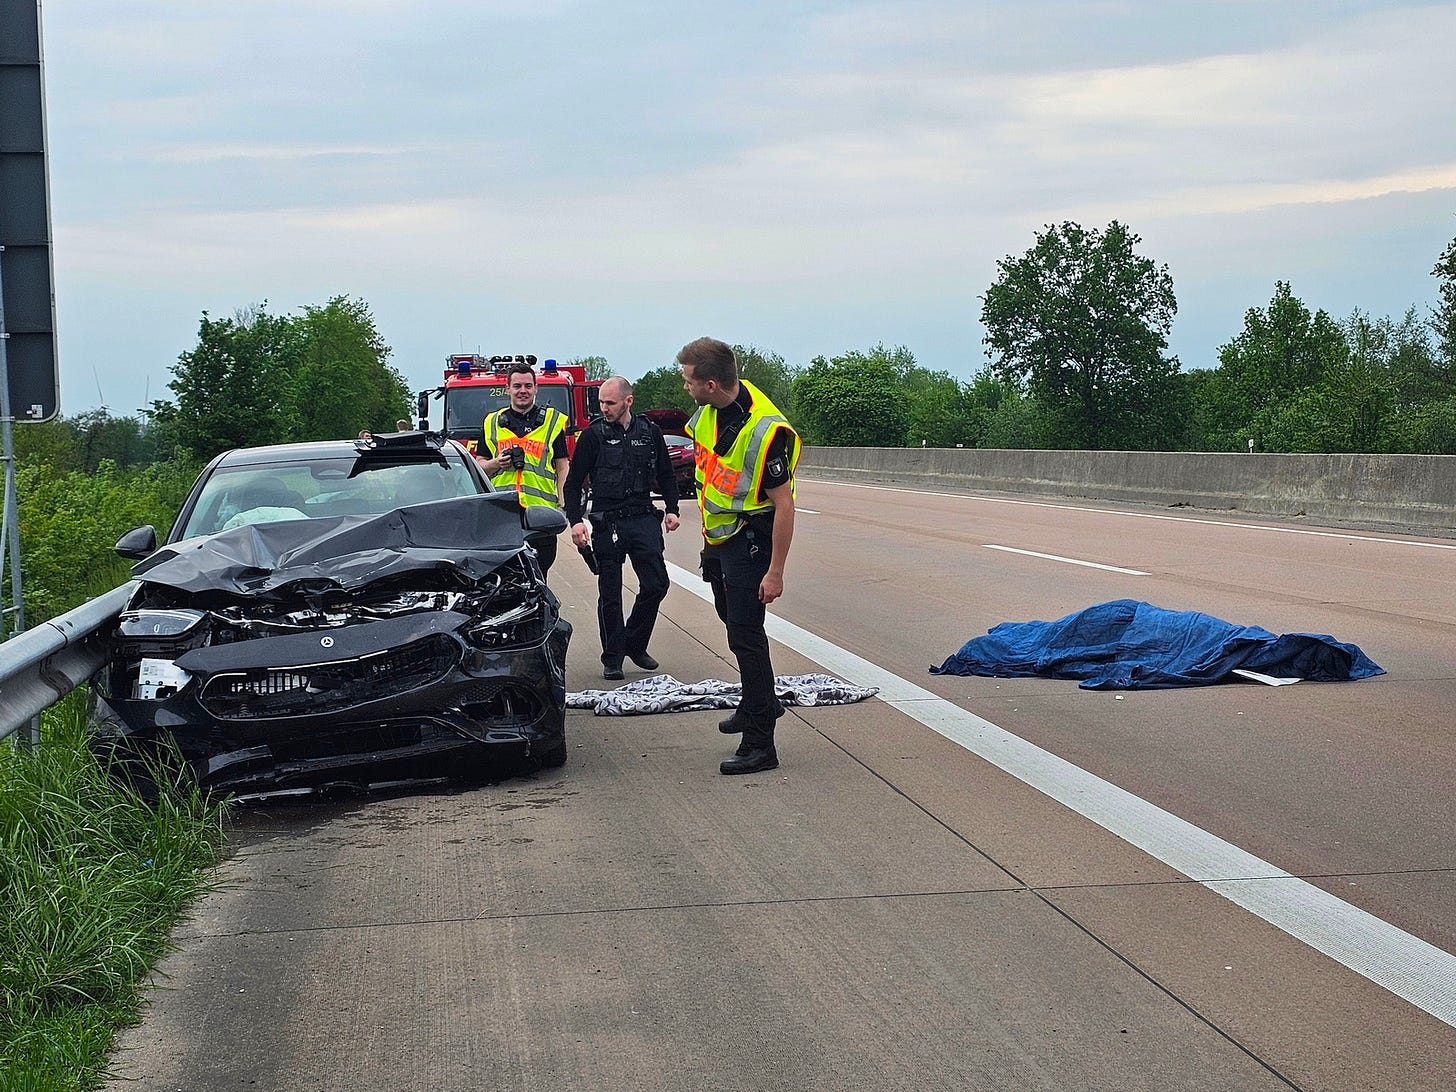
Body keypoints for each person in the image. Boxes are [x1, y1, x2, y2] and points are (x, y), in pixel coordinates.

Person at [677, 337, 800, 775]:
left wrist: (776, 571)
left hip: (752, 540)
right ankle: (756, 702)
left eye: (688, 378)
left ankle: (760, 742)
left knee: (747, 636)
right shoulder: (711, 412)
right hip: (721, 536)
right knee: (732, 621)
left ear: (711, 383)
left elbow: (784, 505)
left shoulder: (765, 431)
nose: (684, 385)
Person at [564, 376, 681, 680]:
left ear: (628, 402)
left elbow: (667, 474)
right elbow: (573, 482)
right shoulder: (593, 435)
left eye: (610, 403)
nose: (604, 408)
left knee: (657, 584)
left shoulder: (649, 432)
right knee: (611, 592)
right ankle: (612, 658)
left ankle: (634, 643)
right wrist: (575, 520)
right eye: (601, 402)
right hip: (608, 520)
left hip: (643, 517)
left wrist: (672, 509)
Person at [476, 362, 570, 575]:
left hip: (540, 516)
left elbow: (562, 467)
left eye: (528, 386)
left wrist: (563, 506)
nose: (523, 391)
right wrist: (495, 463)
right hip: (501, 515)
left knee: (539, 575)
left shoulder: (552, 422)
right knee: (503, 577)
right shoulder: (491, 423)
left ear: (536, 388)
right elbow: (479, 466)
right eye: (517, 386)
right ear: (507, 388)